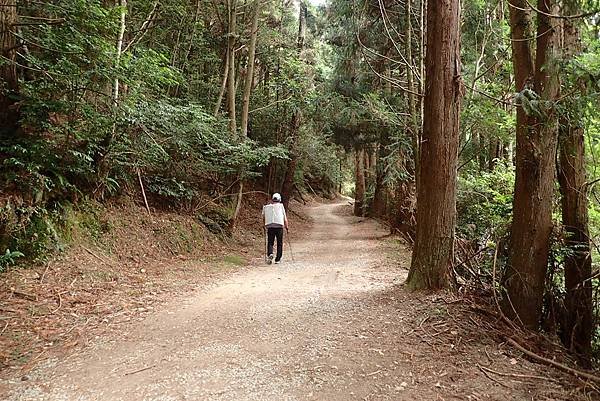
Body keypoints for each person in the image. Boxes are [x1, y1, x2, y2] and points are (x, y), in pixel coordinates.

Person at [262, 193, 289, 264]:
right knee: (279, 243)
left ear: (272, 199)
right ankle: (278, 259)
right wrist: (287, 226)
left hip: (270, 226)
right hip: (279, 226)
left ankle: (270, 253)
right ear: (279, 199)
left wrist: (264, 226)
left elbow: (263, 217)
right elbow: (284, 218)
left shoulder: (266, 207)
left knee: (270, 242)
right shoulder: (281, 206)